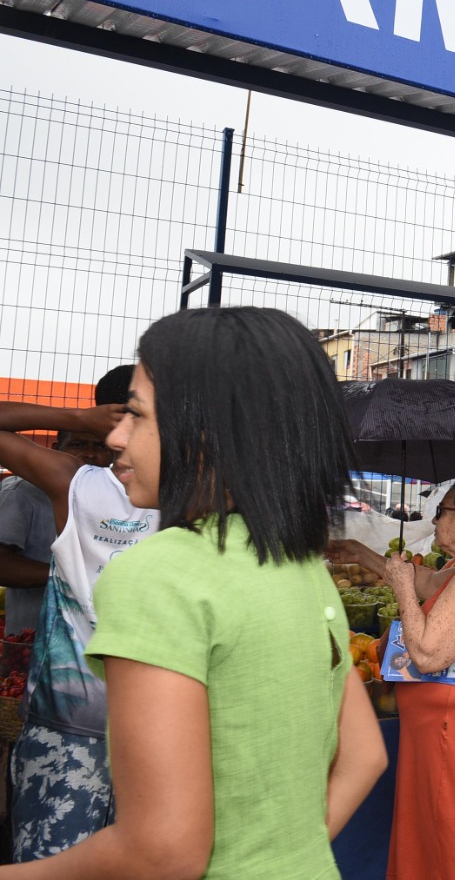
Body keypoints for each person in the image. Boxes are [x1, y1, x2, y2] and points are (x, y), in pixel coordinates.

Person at [0, 307, 388, 878]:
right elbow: (365, 757)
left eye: (136, 415)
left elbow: (162, 852)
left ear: (204, 433)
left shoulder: (157, 574)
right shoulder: (297, 561)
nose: (114, 436)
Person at [332, 477, 455, 880]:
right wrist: (358, 553)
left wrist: (404, 592)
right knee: (442, 841)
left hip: (454, 736)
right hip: (453, 731)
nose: (435, 520)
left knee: (452, 848)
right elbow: (425, 582)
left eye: (442, 511)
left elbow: (427, 654)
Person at [0, 367, 159, 860]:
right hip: (84, 730)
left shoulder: (202, 503)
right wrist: (77, 418)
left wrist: (77, 419)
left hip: (134, 734)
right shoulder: (79, 485)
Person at [0, 432, 111, 638]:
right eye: (78, 445)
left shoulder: (121, 497)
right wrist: (73, 576)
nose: (90, 454)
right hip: (33, 638)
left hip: (98, 638)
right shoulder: (21, 492)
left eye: (101, 447)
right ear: (55, 449)